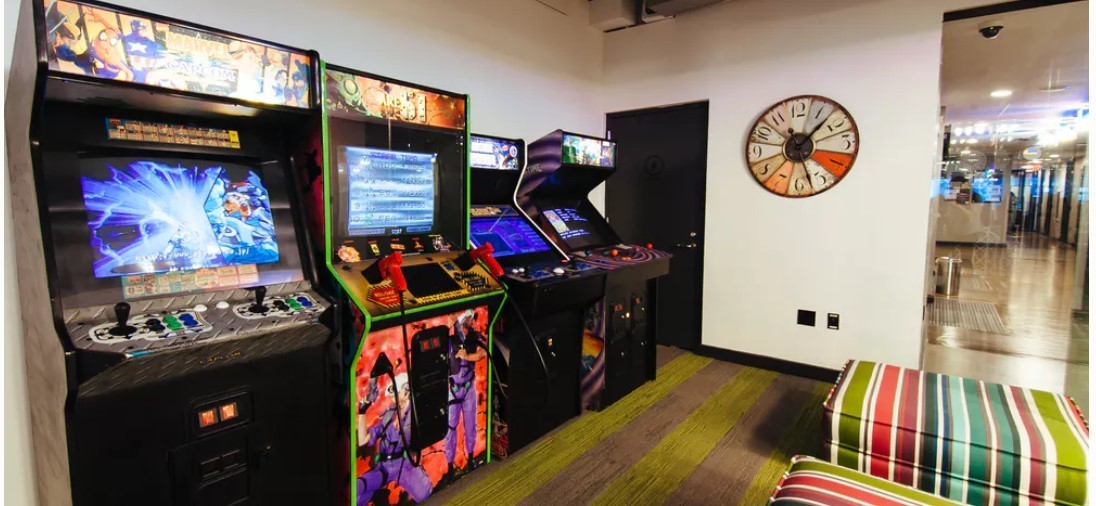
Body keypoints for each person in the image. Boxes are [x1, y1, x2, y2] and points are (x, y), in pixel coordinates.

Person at [357, 373, 433, 505]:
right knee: (358, 488)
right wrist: (362, 412)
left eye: (395, 393)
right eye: (392, 395)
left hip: (405, 466)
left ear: (406, 390)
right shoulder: (389, 415)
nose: (392, 398)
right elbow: (363, 440)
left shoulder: (415, 412)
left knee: (427, 495)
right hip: (384, 469)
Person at [445, 310, 487, 478]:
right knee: (450, 428)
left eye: (473, 319)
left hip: (469, 387)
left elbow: (483, 352)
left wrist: (467, 356)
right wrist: (449, 324)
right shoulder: (450, 339)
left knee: (471, 425)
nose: (473, 322)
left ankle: (470, 459)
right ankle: (449, 467)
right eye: (469, 319)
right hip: (453, 389)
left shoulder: (475, 338)